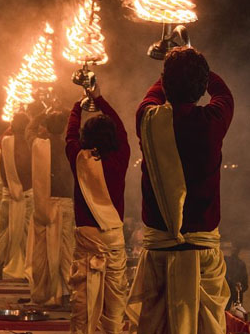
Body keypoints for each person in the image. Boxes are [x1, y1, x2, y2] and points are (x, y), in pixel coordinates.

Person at [127, 47, 234, 334]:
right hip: (202, 257)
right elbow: (224, 94)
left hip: (160, 255)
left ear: (165, 82)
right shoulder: (213, 122)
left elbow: (152, 95)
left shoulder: (147, 119)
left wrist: (171, 64)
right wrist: (196, 63)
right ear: (201, 87)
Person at [66, 84, 130, 334]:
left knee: (81, 305)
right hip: (113, 238)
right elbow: (122, 129)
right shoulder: (121, 156)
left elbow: (69, 135)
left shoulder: (78, 157)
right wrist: (99, 98)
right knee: (114, 307)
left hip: (87, 239)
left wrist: (78, 106)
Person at [25, 108, 75, 306]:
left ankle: (46, 293)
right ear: (64, 128)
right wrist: (70, 112)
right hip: (67, 203)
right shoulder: (71, 147)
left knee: (44, 251)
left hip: (45, 204)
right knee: (67, 251)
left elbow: (29, 130)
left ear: (46, 127)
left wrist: (41, 112)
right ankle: (68, 294)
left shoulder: (39, 145)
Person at [0, 112, 33, 279]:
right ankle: (27, 271)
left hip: (9, 195)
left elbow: (2, 173)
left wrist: (11, 190)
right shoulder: (34, 145)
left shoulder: (5, 143)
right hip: (29, 196)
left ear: (13, 125)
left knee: (4, 233)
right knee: (28, 236)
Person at [225, 244, 248, 310]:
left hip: (237, 294)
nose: (234, 250)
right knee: (224, 313)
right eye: (233, 248)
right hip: (226, 293)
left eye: (236, 249)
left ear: (238, 251)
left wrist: (240, 287)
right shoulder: (225, 260)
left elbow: (245, 284)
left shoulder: (241, 265)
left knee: (238, 314)